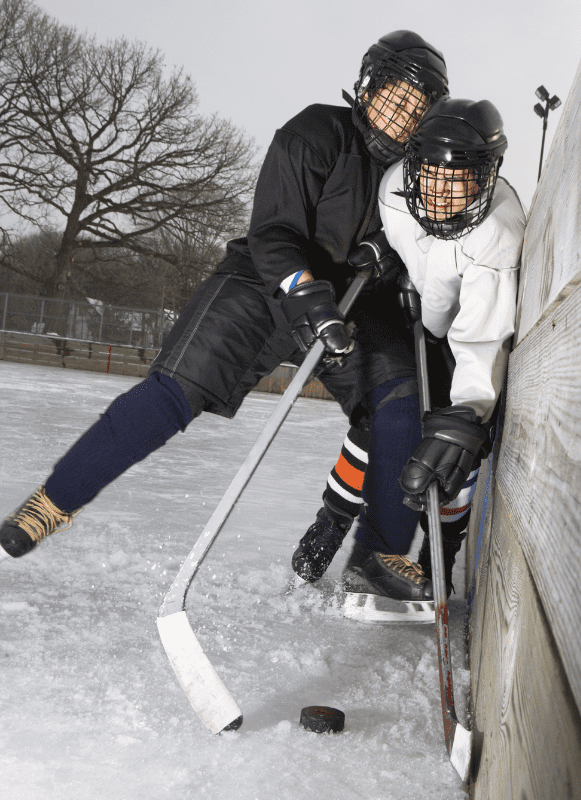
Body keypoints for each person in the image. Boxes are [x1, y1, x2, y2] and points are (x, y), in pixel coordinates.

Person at [0, 31, 449, 608]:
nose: (401, 115)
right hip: (264, 283)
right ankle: (51, 503)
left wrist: (395, 257)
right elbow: (274, 232)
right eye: (395, 96)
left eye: (417, 108)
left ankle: (377, 553)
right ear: (367, 86)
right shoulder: (316, 132)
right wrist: (305, 294)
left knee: (398, 400)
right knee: (172, 394)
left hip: (355, 303)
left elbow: (428, 244)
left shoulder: (417, 174)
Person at [291, 97, 526, 599]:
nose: (441, 194)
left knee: (451, 448)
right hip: (408, 314)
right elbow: (398, 236)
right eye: (433, 177)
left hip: (456, 333)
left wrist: (470, 410)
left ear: (486, 176)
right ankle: (330, 524)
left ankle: (438, 557)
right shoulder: (396, 188)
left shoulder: (497, 236)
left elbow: (481, 338)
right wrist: (386, 255)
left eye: (458, 180)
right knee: (381, 419)